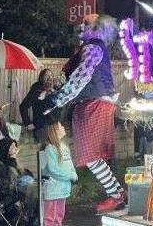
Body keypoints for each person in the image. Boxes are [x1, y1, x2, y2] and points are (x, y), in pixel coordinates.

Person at [37, 14, 125, 213]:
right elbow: (75, 79)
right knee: (94, 156)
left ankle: (116, 195)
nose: (80, 26)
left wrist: (55, 100)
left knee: (91, 156)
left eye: (86, 23)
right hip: (92, 102)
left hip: (94, 103)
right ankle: (118, 193)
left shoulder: (93, 47)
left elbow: (80, 80)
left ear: (98, 29)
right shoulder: (91, 47)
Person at [40, 122, 78, 226]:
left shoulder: (64, 147)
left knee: (59, 216)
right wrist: (69, 176)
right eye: (61, 126)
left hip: (63, 189)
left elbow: (70, 163)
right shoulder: (49, 149)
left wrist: (74, 173)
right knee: (50, 218)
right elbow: (53, 169)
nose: (63, 127)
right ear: (55, 131)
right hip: (53, 190)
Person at [0, 137, 37, 221]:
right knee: (34, 190)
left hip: (18, 190)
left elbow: (23, 174)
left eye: (15, 146)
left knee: (38, 187)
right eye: (12, 147)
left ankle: (34, 215)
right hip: (8, 195)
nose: (16, 148)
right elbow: (7, 184)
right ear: (6, 149)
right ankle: (32, 217)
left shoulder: (13, 161)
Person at [20, 68, 59, 142]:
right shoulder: (36, 90)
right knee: (43, 150)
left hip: (54, 127)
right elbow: (23, 106)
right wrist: (28, 123)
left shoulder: (54, 90)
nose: (49, 77)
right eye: (46, 75)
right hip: (41, 128)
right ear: (41, 78)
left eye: (51, 75)